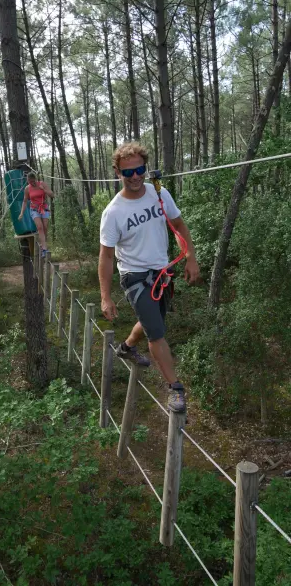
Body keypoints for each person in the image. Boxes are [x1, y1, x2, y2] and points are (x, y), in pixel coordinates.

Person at [98, 142, 200, 413]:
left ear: (146, 168)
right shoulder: (113, 213)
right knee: (157, 333)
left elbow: (178, 224)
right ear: (117, 173)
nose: (135, 176)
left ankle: (127, 347)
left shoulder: (160, 193)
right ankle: (175, 389)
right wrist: (105, 297)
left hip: (162, 272)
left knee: (151, 322)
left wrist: (190, 257)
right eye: (127, 172)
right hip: (135, 277)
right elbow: (106, 257)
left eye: (140, 169)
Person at [19, 171, 54, 257]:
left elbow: (52, 195)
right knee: (39, 227)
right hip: (34, 209)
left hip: (44, 207)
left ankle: (44, 244)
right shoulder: (27, 188)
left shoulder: (42, 184)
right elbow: (24, 201)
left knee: (45, 227)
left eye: (33, 181)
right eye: (30, 182)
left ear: (35, 179)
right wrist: (21, 213)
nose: (32, 183)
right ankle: (44, 249)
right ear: (28, 181)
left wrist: (44, 190)